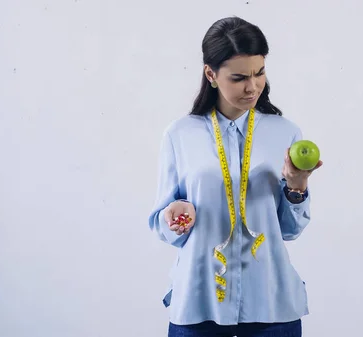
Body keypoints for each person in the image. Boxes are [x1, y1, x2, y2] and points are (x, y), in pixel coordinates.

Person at [147, 16, 323, 337]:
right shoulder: (180, 134)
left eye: (260, 73)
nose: (253, 86)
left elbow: (289, 230)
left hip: (271, 306)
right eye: (239, 77)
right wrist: (173, 217)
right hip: (200, 306)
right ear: (211, 74)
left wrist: (297, 190)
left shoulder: (285, 132)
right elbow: (163, 222)